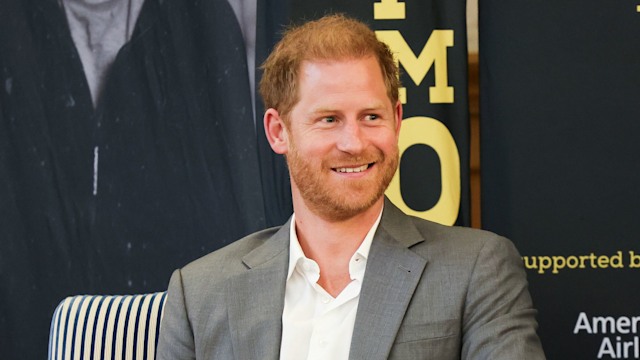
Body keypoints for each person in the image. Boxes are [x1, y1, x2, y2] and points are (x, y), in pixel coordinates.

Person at [157, 14, 545, 359]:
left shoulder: (477, 269)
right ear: (279, 131)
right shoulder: (199, 292)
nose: (355, 143)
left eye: (371, 116)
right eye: (328, 119)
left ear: (396, 119)